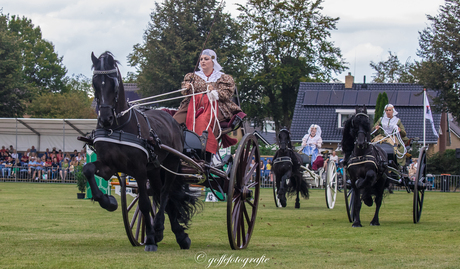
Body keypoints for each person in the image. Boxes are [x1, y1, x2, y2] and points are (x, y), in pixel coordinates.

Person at [173, 49, 242, 155]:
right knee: (175, 122)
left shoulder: (224, 78)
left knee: (202, 121)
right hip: (192, 105)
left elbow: (226, 94)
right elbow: (186, 92)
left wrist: (214, 91)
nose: (203, 61)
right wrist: (187, 88)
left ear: (213, 61)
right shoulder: (192, 76)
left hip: (215, 105)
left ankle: (202, 151)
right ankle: (176, 148)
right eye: (201, 59)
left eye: (206, 59)